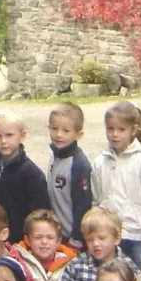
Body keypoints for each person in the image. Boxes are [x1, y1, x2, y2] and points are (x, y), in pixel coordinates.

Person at [90, 100, 141, 266]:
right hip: (107, 233)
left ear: (133, 130)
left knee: (138, 277)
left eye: (121, 129)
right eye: (110, 129)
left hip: (136, 234)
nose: (115, 134)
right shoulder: (99, 162)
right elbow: (96, 200)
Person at [0, 108, 52, 244]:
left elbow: (39, 213)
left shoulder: (31, 174)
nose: (3, 141)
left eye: (9, 135)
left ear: (22, 135)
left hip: (19, 244)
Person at [46, 103, 93, 249]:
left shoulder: (79, 164)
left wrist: (76, 239)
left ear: (78, 134)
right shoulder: (54, 156)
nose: (59, 135)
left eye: (66, 130)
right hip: (55, 234)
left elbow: (83, 205)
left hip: (72, 238)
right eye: (54, 129)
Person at [21, 208, 77, 281]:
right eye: (38, 237)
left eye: (50, 237)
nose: (44, 242)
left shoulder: (71, 266)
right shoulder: (20, 264)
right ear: (27, 240)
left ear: (58, 241)